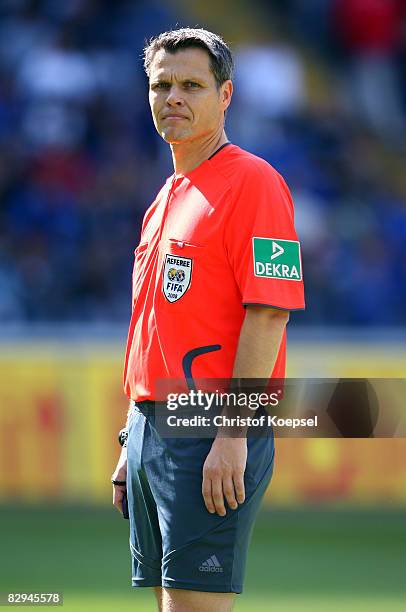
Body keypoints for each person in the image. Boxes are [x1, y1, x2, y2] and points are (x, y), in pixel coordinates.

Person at [111, 27, 305, 612]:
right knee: (173, 603)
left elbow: (270, 313)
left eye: (191, 84)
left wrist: (233, 432)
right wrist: (131, 435)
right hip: (153, 428)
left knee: (194, 607)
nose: (173, 96)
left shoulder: (255, 182)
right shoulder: (167, 196)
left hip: (210, 427)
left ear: (226, 96)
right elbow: (155, 328)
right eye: (160, 85)